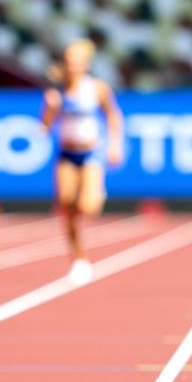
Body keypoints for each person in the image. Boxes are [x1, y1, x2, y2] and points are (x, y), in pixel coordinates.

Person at [41, 40, 124, 286]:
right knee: (66, 205)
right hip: (67, 154)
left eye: (77, 63)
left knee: (88, 207)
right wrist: (49, 110)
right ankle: (79, 259)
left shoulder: (97, 88)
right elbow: (45, 127)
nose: (72, 67)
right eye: (68, 63)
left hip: (91, 153)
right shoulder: (57, 92)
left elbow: (113, 114)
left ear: (85, 65)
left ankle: (96, 191)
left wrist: (115, 145)